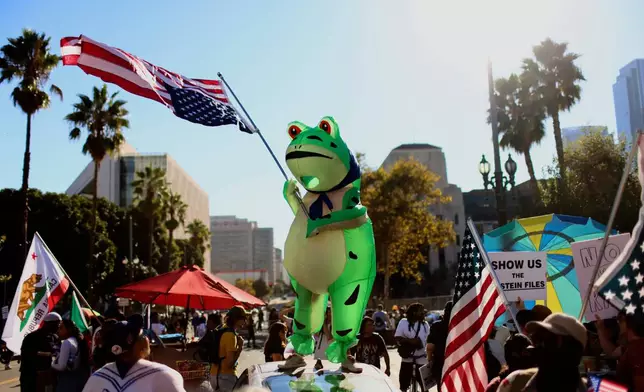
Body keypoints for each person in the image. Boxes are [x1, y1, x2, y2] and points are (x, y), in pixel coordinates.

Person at [82, 314, 185, 392]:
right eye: (142, 335)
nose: (146, 338)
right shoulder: (164, 376)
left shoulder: (97, 378)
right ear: (135, 343)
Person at [499, 313, 588, 392]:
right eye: (536, 338)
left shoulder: (597, 388)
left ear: (571, 348)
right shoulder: (514, 382)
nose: (539, 345)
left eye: (549, 339)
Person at [20, 312, 61, 392]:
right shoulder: (32, 337)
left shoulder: (54, 337)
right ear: (48, 324)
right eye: (57, 324)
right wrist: (48, 354)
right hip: (30, 376)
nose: (58, 327)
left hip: (47, 376)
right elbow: (26, 353)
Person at [210, 306, 247, 392]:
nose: (245, 322)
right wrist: (240, 347)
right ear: (236, 319)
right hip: (225, 377)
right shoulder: (231, 335)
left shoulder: (221, 328)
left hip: (213, 375)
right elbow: (229, 363)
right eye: (243, 318)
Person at [395, 303, 430, 392]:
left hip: (422, 358)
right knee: (403, 385)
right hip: (407, 358)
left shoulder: (425, 324)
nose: (423, 313)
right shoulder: (403, 322)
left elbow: (429, 340)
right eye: (420, 311)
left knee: (425, 386)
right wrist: (410, 341)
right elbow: (398, 338)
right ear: (414, 312)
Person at [52, 319, 90, 392]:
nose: (58, 331)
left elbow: (61, 366)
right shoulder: (77, 340)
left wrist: (52, 364)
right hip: (78, 380)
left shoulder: (66, 342)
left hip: (67, 382)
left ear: (68, 329)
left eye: (61, 328)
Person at [614, 310, 644, 391]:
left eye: (619, 320)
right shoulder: (632, 347)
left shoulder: (638, 349)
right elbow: (613, 353)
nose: (618, 325)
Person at [427, 301, 452, 387]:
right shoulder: (461, 325)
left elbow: (430, 347)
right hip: (456, 363)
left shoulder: (436, 326)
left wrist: (429, 360)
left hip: (439, 364)